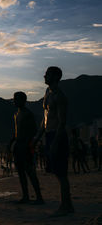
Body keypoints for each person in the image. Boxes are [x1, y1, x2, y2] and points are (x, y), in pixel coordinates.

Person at [33, 66, 73, 216]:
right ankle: (67, 204)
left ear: (55, 77)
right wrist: (37, 137)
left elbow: (62, 121)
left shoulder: (60, 96)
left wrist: (56, 141)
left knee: (61, 173)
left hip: (58, 135)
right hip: (49, 135)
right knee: (56, 171)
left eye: (47, 74)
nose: (44, 76)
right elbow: (45, 118)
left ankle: (66, 205)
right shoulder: (47, 93)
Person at [11, 91, 43, 204]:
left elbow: (34, 130)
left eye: (16, 99)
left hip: (26, 145)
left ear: (22, 100)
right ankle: (26, 196)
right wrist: (12, 143)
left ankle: (39, 197)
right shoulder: (16, 114)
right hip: (18, 145)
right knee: (20, 172)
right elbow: (16, 132)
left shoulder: (28, 114)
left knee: (30, 171)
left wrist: (30, 144)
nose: (13, 100)